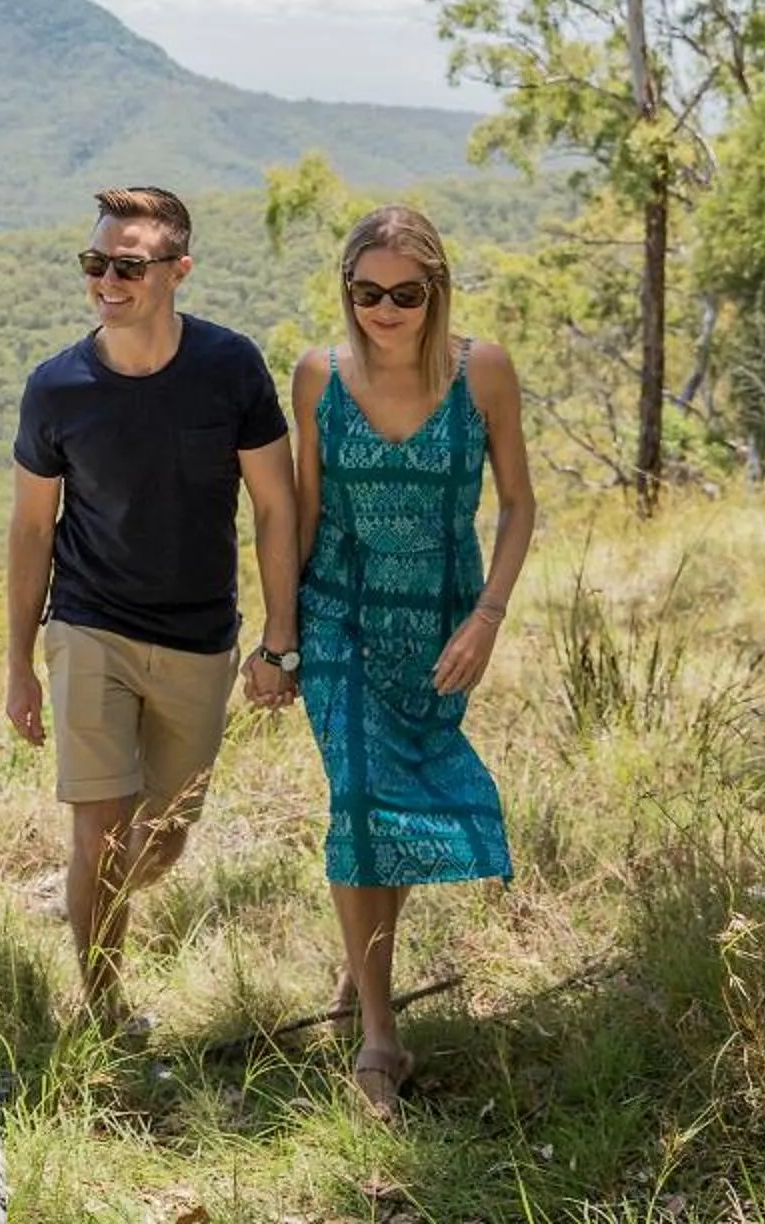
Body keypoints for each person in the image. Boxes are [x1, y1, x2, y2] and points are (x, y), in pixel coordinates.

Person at [5, 186, 301, 1036]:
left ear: (178, 270)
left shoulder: (230, 368)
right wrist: (18, 664)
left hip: (200, 639)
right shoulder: (57, 387)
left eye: (127, 266)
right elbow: (32, 530)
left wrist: (280, 641)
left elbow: (275, 507)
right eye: (95, 263)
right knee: (98, 831)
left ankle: (90, 900)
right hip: (88, 623)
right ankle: (104, 1015)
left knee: (162, 838)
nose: (106, 280)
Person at [278, 204, 535, 1117]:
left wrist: (488, 618)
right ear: (346, 292)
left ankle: (360, 970)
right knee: (356, 797)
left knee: (396, 801)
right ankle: (381, 1040)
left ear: (436, 291)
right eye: (366, 292)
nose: (385, 310)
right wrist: (280, 636)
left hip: (436, 620)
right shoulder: (319, 376)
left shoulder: (484, 371)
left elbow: (517, 506)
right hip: (339, 609)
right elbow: (301, 514)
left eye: (405, 294)